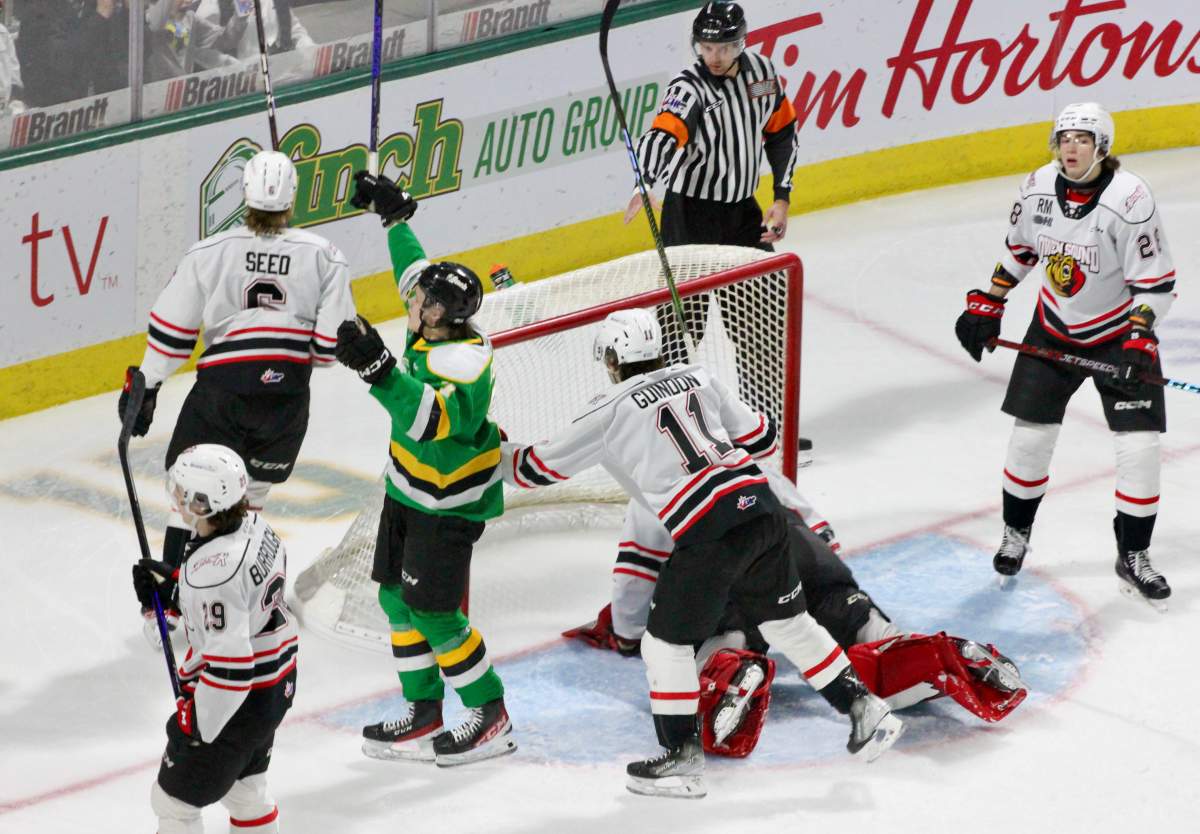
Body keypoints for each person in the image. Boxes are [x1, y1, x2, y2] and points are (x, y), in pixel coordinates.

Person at [503, 308, 902, 798]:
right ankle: (866, 708)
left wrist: (491, 451)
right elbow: (763, 436)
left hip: (709, 530)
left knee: (662, 644)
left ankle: (681, 757)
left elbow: (533, 470)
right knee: (789, 624)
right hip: (766, 511)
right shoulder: (699, 375)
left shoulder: (606, 409)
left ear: (610, 360)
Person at [566, 466, 1026, 757]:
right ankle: (942, 656)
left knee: (724, 638)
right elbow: (826, 536)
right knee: (862, 626)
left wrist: (628, 634)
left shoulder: (650, 487)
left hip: (732, 570)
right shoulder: (748, 459)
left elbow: (635, 578)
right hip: (806, 557)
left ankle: (734, 670)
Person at [118, 149, 355, 642]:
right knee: (251, 499)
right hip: (286, 400)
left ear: (244, 194)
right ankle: (236, 600)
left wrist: (149, 383)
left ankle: (172, 609)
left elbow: (171, 331)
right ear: (292, 198)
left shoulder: (208, 251)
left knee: (189, 496)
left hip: (222, 393)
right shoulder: (324, 254)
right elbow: (332, 348)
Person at [954, 102, 1177, 611]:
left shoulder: (1130, 199)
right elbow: (1021, 250)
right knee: (1030, 439)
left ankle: (1134, 554)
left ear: (1102, 147)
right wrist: (989, 302)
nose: (1071, 148)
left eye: (1083, 139)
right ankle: (1016, 533)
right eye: (1064, 138)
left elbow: (1156, 282)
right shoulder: (1037, 187)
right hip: (1053, 329)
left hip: (1119, 333)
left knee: (1140, 449)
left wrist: (1140, 339)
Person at [334, 170, 515, 766]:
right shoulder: (434, 319)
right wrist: (393, 216)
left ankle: (490, 713)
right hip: (407, 491)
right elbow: (412, 270)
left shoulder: (463, 360)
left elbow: (430, 421)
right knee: (394, 598)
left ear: (441, 317)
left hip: (449, 504)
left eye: (421, 302)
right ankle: (424, 708)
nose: (411, 301)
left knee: (435, 612)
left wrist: (380, 372)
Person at [622, 1, 810, 461]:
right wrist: (647, 183)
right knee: (677, 327)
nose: (715, 56)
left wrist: (781, 197)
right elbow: (667, 133)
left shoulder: (762, 73)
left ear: (741, 43)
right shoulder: (688, 87)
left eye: (724, 46)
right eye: (706, 46)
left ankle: (766, 425)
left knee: (759, 320)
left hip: (743, 215)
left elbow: (781, 133)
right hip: (690, 216)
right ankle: (672, 432)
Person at [132, 444, 298, 834]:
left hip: (236, 702)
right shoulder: (256, 527)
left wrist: (197, 722)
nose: (176, 496)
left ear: (203, 503)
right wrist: (177, 588)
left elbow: (231, 669)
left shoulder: (212, 575)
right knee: (246, 791)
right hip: (274, 685)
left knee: (173, 803)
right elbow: (244, 601)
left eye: (182, 490)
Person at [145, 0, 244, 81]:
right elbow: (155, 23)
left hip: (183, 92)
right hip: (153, 93)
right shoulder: (149, 19)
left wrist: (242, 11)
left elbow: (225, 40)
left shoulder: (190, 19)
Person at [197, 0, 312, 58]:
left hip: (282, 75)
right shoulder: (212, 5)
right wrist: (238, 20)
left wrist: (312, 51)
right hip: (242, 85)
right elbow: (211, 49)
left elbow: (295, 32)